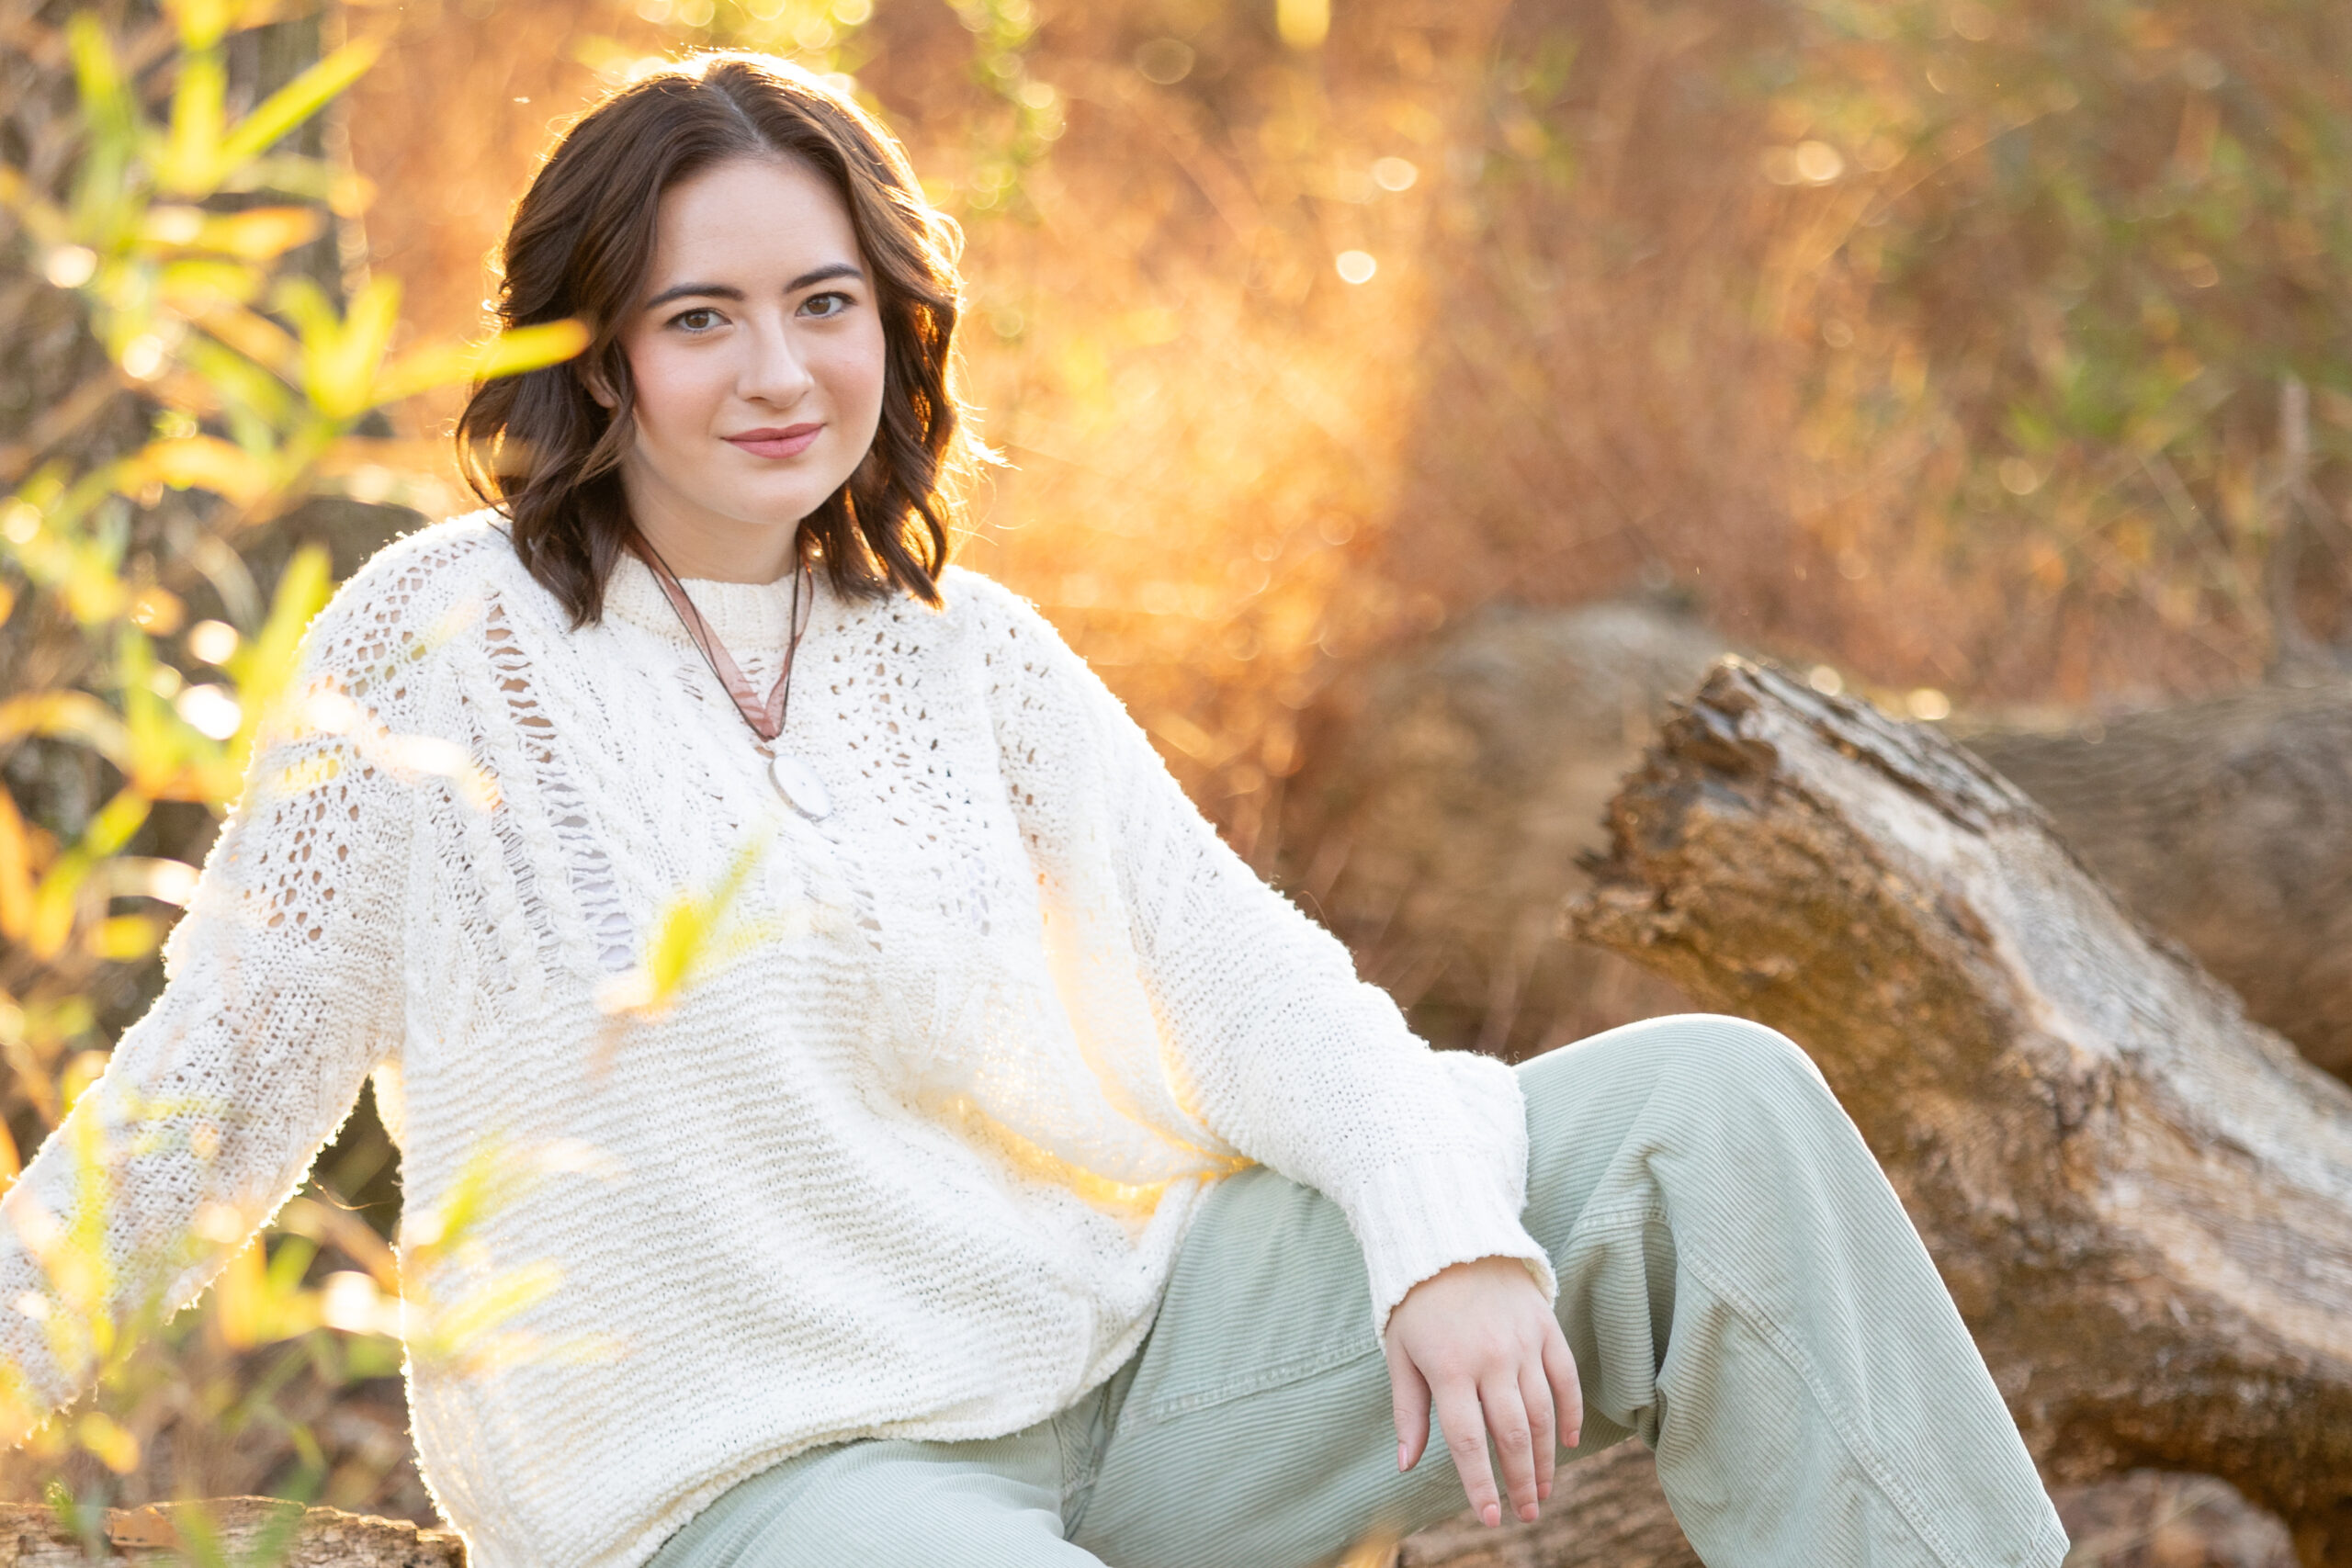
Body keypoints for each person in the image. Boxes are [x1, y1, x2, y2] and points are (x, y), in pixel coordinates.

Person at [0, 51, 2066, 1568]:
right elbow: (223, 1072)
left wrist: (1443, 1228)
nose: (778, 369)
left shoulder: (956, 646)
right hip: (761, 1482)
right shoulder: (432, 641)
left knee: (1708, 1111)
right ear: (600, 358)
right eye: (699, 315)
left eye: (822, 303)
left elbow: (1257, 987)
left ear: (894, 323)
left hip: (1136, 1369)